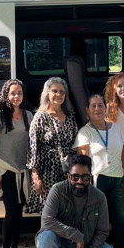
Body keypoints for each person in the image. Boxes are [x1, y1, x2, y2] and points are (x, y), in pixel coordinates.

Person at [36, 154, 121, 248]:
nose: (80, 181)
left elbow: (102, 231)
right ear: (69, 176)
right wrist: (75, 234)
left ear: (90, 176)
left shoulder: (99, 197)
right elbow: (47, 221)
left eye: (85, 177)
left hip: (83, 247)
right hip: (58, 242)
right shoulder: (57, 190)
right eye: (75, 177)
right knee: (47, 236)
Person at [75, 94, 124, 248]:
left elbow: (123, 155)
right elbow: (82, 160)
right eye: (93, 106)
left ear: (105, 108)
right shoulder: (85, 132)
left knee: (119, 216)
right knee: (97, 219)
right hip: (97, 180)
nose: (97, 109)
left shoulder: (115, 128)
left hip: (117, 177)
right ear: (87, 111)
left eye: (100, 105)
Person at [0, 79, 33, 248]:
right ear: (6, 95)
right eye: (13, 93)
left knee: (19, 212)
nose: (16, 96)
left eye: (19, 93)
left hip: (23, 170)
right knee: (11, 211)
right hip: (6, 169)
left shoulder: (28, 115)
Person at [26, 77, 78, 214]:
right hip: (46, 172)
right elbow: (33, 149)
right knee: (49, 213)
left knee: (67, 211)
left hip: (66, 171)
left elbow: (74, 145)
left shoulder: (70, 117)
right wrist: (35, 177)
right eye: (54, 91)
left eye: (62, 92)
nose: (59, 95)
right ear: (47, 93)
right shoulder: (40, 117)